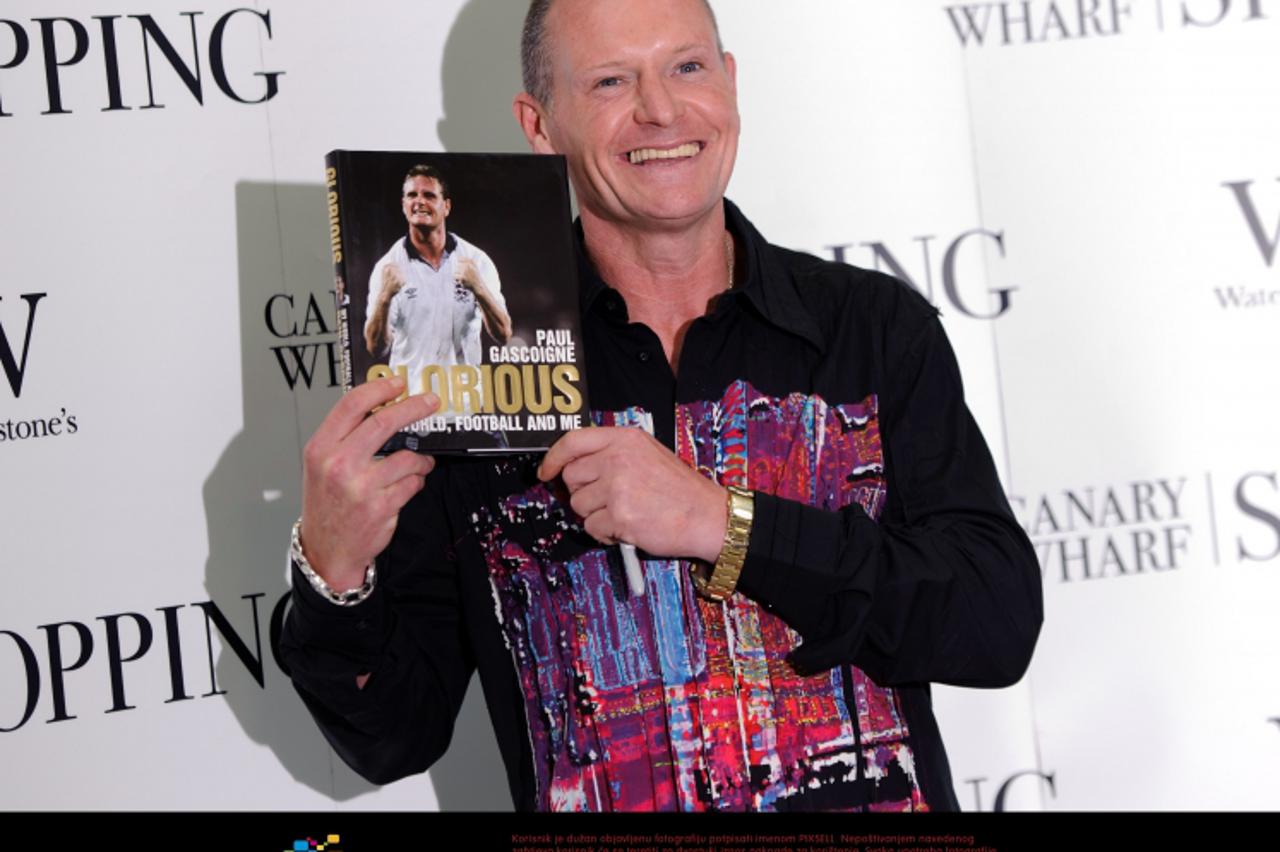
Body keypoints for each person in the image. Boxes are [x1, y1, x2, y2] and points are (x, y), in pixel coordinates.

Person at [280, 0, 1042, 812]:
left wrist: (723, 524)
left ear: (731, 82)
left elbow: (994, 624)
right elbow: (390, 733)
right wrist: (334, 568)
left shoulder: (871, 328)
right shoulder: (468, 378)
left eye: (688, 67)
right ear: (540, 126)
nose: (662, 110)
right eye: (612, 80)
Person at [364, 164, 513, 404]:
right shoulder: (388, 267)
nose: (419, 201)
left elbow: (504, 334)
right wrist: (385, 297)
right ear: (403, 205)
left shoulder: (476, 261)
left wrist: (479, 288)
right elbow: (375, 348)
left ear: (446, 206)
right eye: (412, 195)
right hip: (412, 411)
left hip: (468, 409)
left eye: (429, 195)